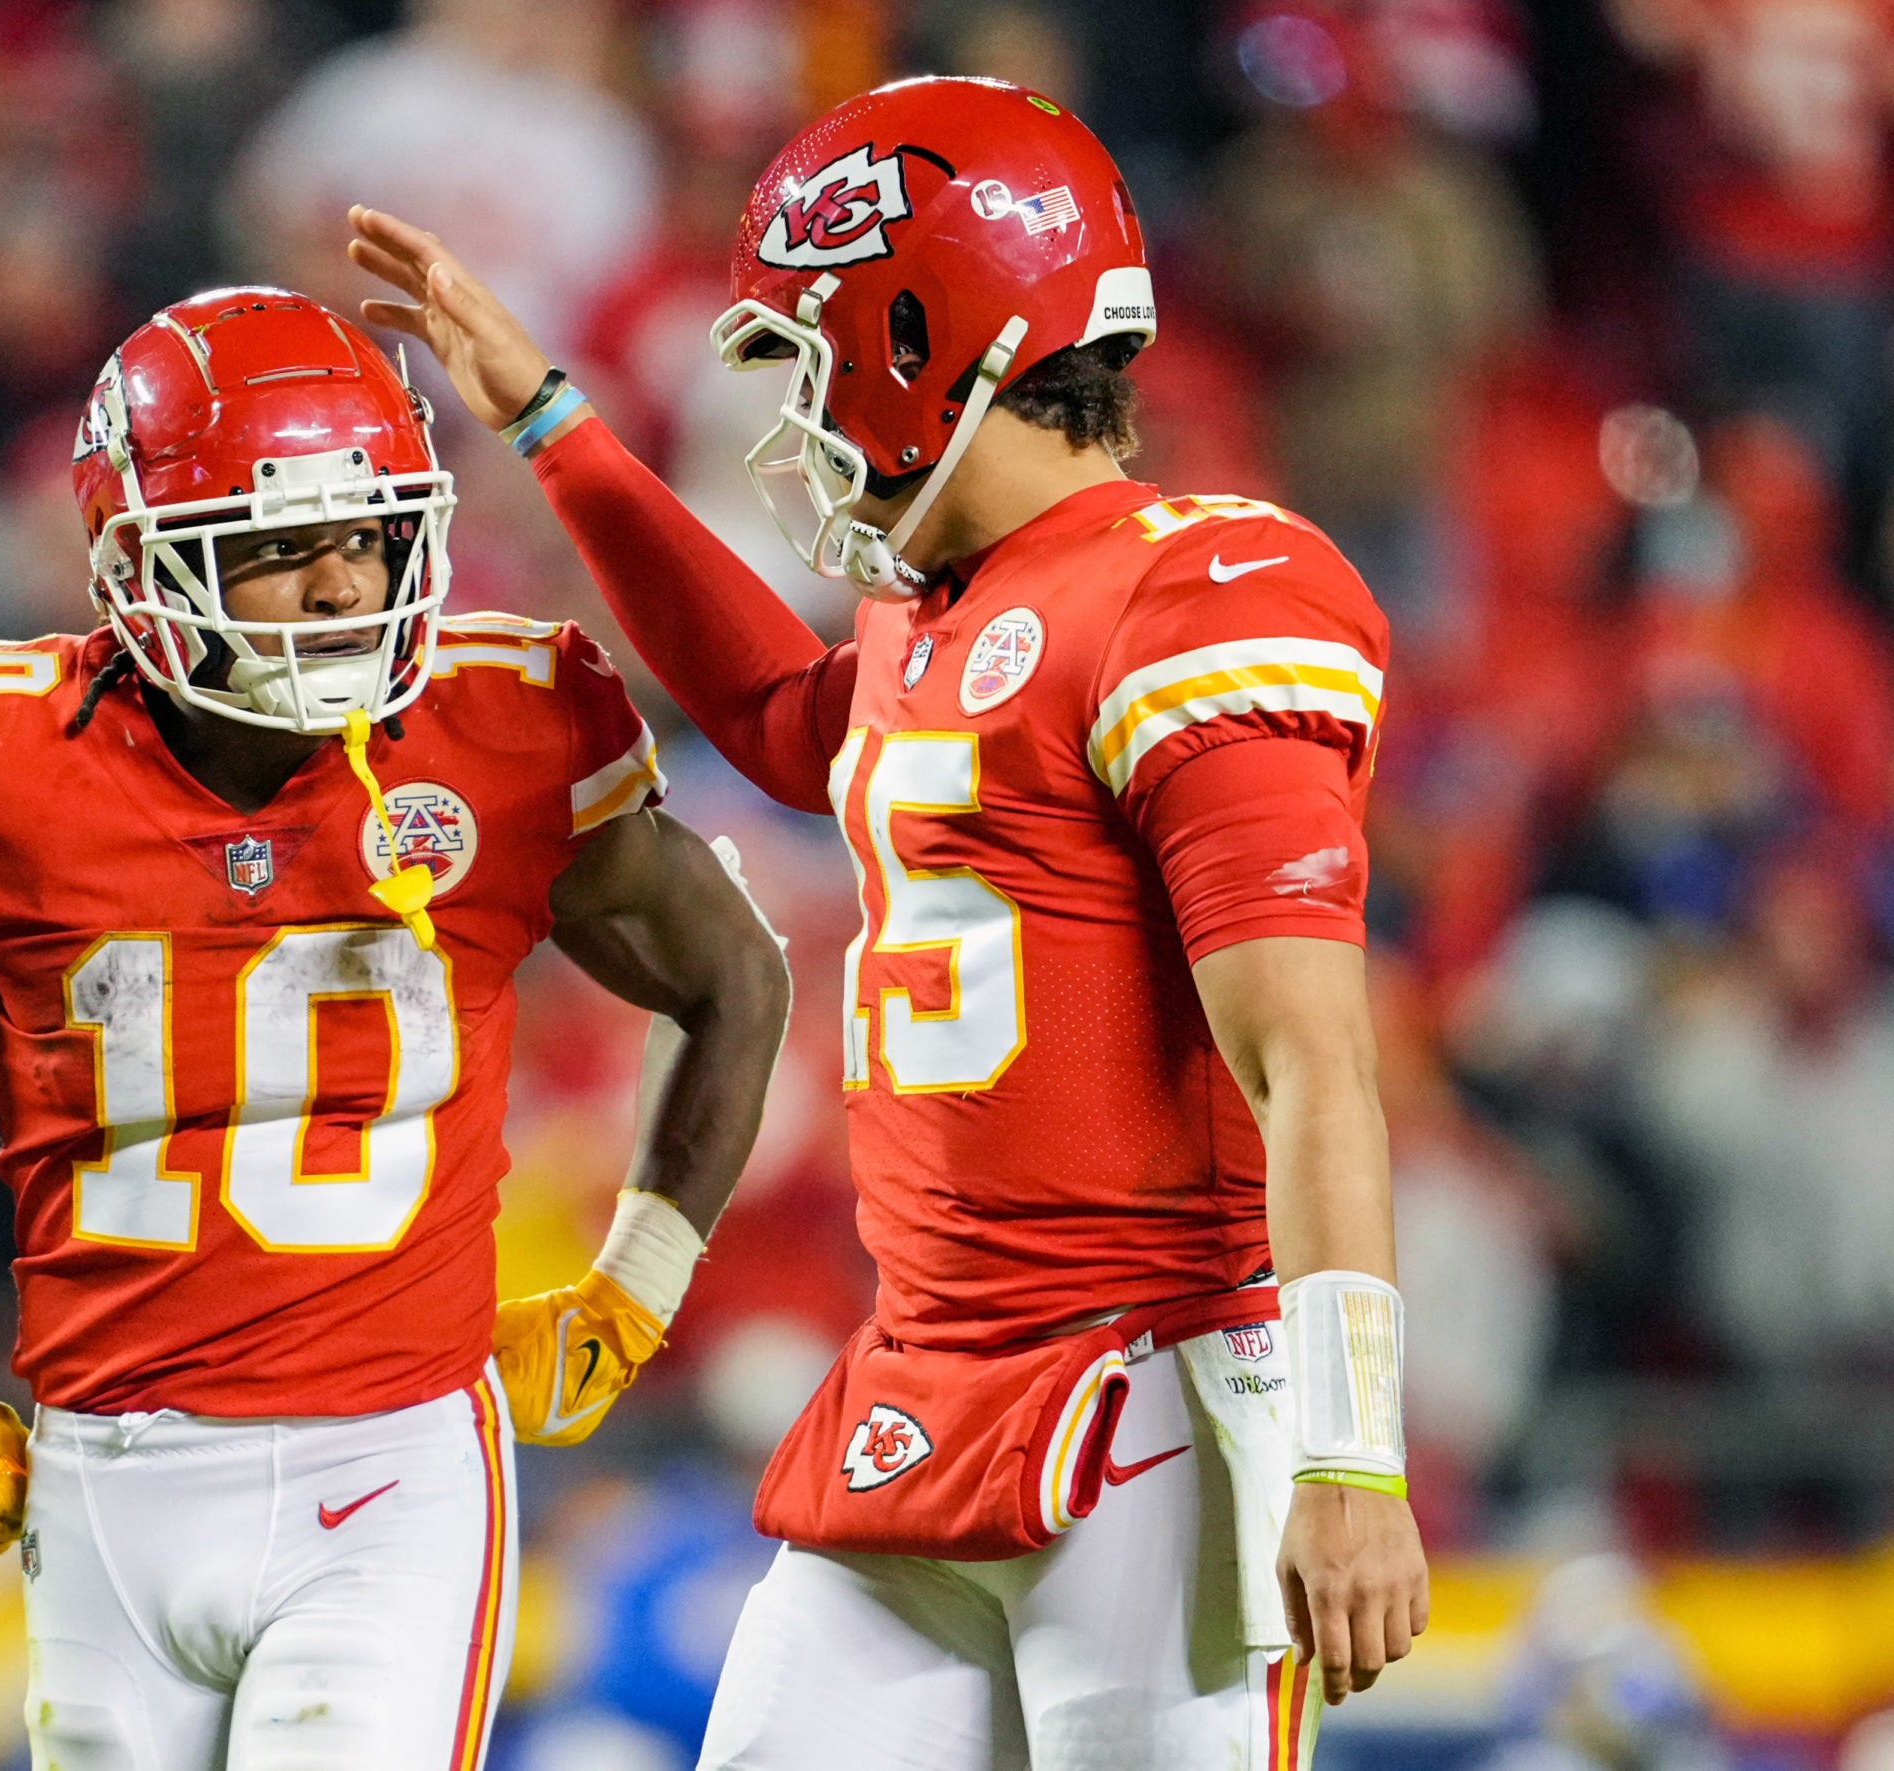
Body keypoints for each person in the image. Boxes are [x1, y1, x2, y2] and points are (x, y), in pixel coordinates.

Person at [350, 74, 1429, 1770]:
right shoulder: (941, 608)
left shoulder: (1197, 590)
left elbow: (1312, 1063)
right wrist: (555, 427)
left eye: (809, 356)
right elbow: (785, 717)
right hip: (926, 1381)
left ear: (919, 336)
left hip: (1148, 1400)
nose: (797, 414)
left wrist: (1352, 1457)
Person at [0, 288, 792, 1771]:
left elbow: (734, 977)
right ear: (139, 564)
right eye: (280, 547)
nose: (346, 585)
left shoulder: (505, 726)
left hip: (391, 1464)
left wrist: (636, 1286)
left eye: (370, 534)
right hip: (102, 1471)